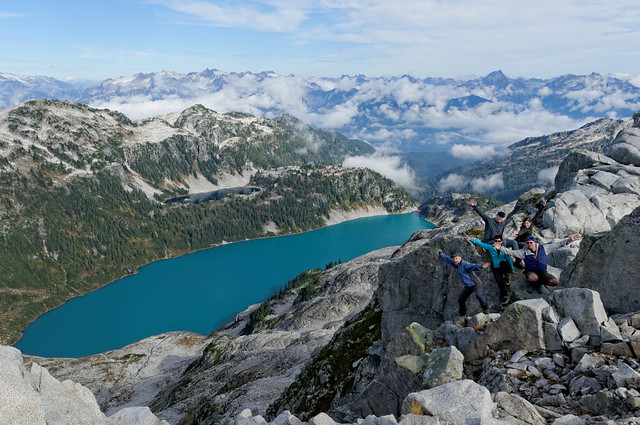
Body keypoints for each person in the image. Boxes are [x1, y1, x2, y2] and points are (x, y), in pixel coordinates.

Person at [498, 234, 581, 292]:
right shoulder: (524, 252)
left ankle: (539, 283)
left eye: (531, 242)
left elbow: (558, 245)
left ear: (535, 243)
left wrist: (570, 240)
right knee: (533, 278)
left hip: (542, 272)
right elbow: (511, 252)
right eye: (528, 243)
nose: (529, 244)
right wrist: (500, 248)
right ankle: (533, 284)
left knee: (555, 282)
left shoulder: (544, 248)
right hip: (530, 271)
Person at [438, 249, 490, 326]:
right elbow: (447, 259)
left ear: (460, 258)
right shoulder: (455, 264)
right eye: (454, 258)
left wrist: (481, 266)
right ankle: (463, 315)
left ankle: (486, 310)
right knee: (461, 299)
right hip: (468, 286)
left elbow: (473, 266)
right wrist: (440, 253)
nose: (455, 260)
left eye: (456, 258)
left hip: (475, 284)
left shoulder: (465, 264)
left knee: (479, 295)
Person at [466, 235, 518, 306]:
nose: (497, 242)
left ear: (501, 242)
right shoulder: (491, 247)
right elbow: (481, 244)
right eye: (496, 241)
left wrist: (512, 269)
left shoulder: (505, 249)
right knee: (499, 281)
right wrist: (471, 239)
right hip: (496, 267)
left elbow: (509, 259)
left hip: (504, 266)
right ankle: (505, 296)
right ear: (494, 241)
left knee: (503, 263)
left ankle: (506, 275)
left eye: (499, 241)